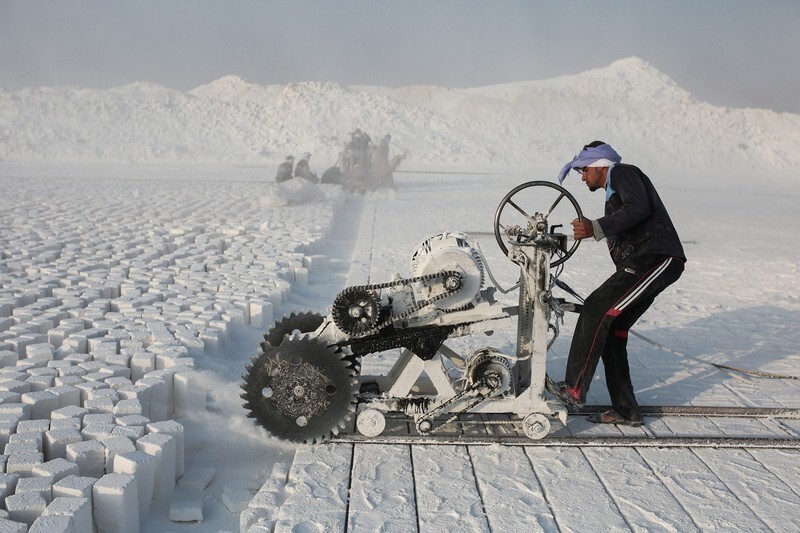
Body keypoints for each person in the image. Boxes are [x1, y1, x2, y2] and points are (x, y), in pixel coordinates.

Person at [548, 141, 686, 426]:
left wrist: (595, 227)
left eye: (584, 170)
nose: (582, 177)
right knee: (613, 328)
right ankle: (626, 410)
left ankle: (573, 387)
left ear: (600, 166)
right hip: (647, 262)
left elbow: (639, 208)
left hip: (656, 257)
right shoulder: (613, 194)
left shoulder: (622, 173)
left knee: (596, 307)